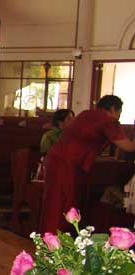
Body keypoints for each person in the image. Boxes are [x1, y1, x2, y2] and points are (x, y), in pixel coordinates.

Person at [39, 95, 135, 234]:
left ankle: (49, 239)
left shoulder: (86, 114)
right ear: (113, 109)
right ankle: (55, 241)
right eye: (119, 113)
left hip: (56, 158)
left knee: (53, 202)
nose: (119, 117)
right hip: (68, 163)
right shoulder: (107, 120)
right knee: (63, 203)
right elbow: (128, 147)